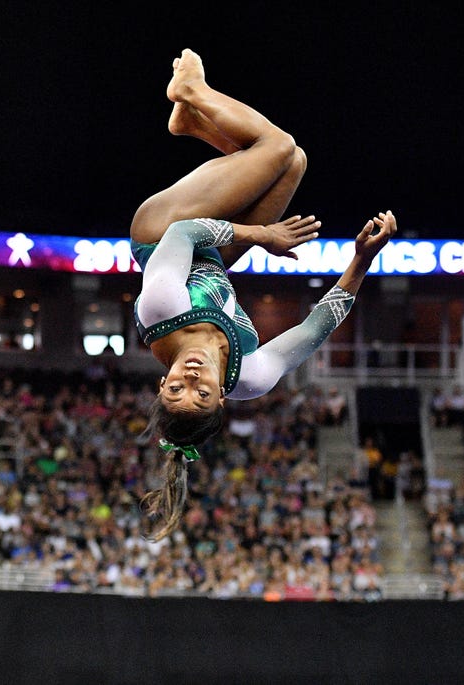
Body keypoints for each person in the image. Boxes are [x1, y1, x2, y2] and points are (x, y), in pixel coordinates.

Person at [131, 48, 398, 540]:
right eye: (202, 393)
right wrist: (363, 259)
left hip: (162, 230)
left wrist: (263, 238)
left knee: (276, 147)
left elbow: (185, 233)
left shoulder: (161, 309)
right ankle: (190, 124)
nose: (189, 378)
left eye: (175, 389)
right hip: (215, 258)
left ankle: (190, 92)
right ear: (223, 399)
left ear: (160, 384)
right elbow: (316, 327)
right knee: (292, 163)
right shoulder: (249, 375)